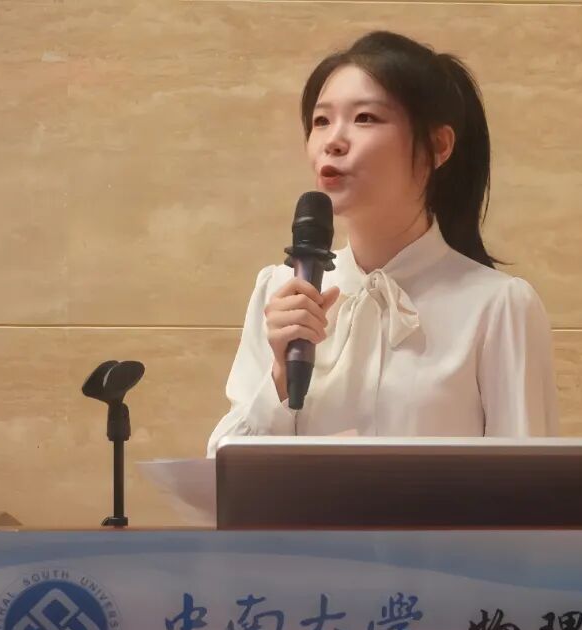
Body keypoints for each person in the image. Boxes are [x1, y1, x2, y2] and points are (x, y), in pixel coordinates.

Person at [207, 31, 558, 456]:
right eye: (321, 121)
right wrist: (280, 373)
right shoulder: (281, 289)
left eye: (365, 118)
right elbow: (225, 471)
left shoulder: (498, 307)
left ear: (438, 145)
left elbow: (526, 482)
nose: (333, 141)